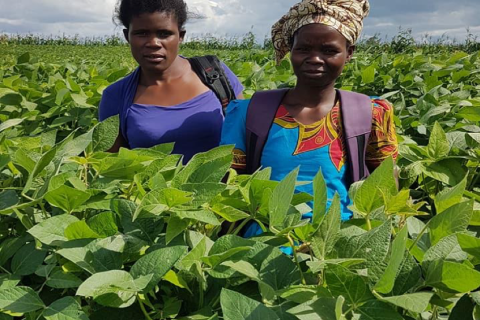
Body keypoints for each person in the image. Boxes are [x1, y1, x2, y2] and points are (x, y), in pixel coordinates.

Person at [220, 0, 398, 237]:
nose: (315, 58)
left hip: (337, 243)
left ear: (349, 53)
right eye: (304, 49)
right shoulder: (249, 112)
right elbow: (230, 184)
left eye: (329, 50)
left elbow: (387, 185)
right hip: (263, 244)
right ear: (291, 50)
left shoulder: (371, 113)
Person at [99, 0, 243, 162]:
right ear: (127, 36)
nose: (153, 43)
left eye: (164, 33)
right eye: (142, 33)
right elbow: (112, 168)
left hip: (227, 187)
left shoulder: (216, 74)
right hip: (153, 188)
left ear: (180, 36)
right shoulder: (116, 96)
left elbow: (246, 136)